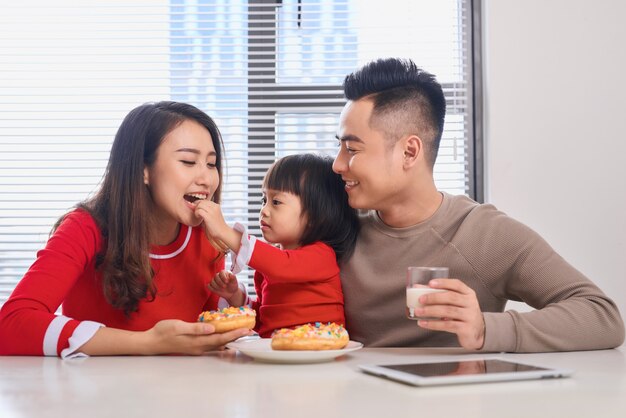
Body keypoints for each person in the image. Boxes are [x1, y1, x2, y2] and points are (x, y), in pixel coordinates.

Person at [332, 58, 625, 352]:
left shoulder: (482, 234)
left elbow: (602, 317)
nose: (337, 164)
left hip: (453, 395)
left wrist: (486, 329)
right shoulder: (334, 226)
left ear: (410, 152)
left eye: (352, 149)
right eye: (339, 147)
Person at [0, 101, 252, 357]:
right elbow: (10, 325)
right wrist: (149, 343)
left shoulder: (208, 237)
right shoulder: (84, 228)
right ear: (143, 170)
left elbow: (211, 332)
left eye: (211, 164)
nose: (207, 178)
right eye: (188, 161)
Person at [194, 153, 359, 337]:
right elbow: (264, 320)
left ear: (316, 216)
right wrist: (235, 296)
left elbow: (281, 265)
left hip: (320, 354)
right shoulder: (268, 267)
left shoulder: (322, 256)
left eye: (276, 202)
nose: (264, 210)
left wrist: (224, 232)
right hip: (277, 353)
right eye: (264, 200)